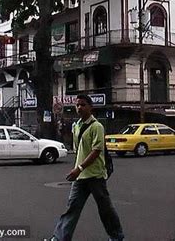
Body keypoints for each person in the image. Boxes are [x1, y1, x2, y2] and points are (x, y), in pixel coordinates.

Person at [51, 94, 124, 241]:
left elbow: (96, 151)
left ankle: (117, 237)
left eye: (83, 105)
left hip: (95, 175)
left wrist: (79, 167)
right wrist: (77, 169)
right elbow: (79, 150)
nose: (79, 108)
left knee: (105, 209)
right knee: (72, 208)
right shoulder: (76, 126)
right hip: (80, 177)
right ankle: (60, 238)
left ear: (91, 107)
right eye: (77, 105)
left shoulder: (97, 126)